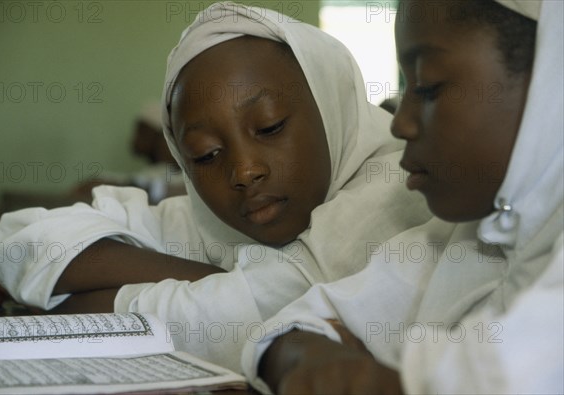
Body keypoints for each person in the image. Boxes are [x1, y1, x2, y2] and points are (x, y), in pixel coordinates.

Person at [0, 2, 432, 372]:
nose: (244, 170)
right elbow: (17, 241)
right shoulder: (213, 220)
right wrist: (216, 281)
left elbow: (235, 321)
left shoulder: (394, 192)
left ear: (334, 105)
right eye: (207, 154)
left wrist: (58, 295)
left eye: (269, 127)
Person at [241, 0, 563, 393]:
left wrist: (371, 374)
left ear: (549, 75)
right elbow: (287, 328)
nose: (400, 122)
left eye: (427, 86)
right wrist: (318, 360)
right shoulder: (459, 236)